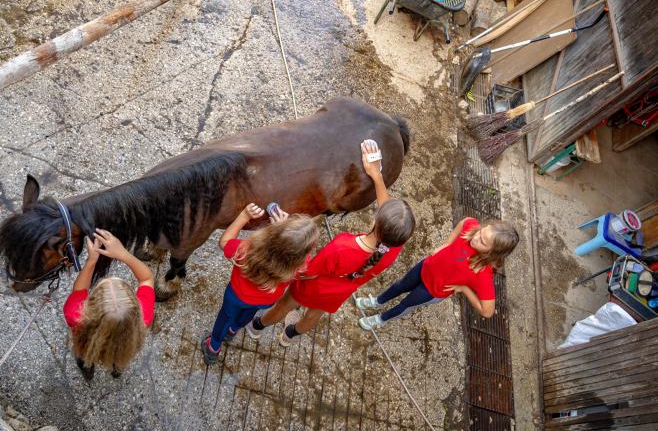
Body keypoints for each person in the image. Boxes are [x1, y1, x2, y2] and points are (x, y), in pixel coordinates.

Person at [248, 139, 416, 346]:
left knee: (284, 305)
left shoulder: (343, 247)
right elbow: (388, 215)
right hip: (339, 292)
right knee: (314, 315)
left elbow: (309, 270)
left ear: (376, 220)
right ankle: (289, 336)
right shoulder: (394, 245)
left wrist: (288, 233)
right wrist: (377, 175)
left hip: (313, 286)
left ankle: (257, 327)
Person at [201, 203, 319, 364]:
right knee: (248, 313)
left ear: (272, 234)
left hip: (236, 296)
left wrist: (244, 216)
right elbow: (292, 254)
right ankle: (233, 330)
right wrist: (284, 234)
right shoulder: (301, 265)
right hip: (265, 301)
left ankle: (213, 347)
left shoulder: (246, 250)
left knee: (225, 316)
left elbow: (224, 242)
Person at [356, 217, 519, 329]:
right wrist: (446, 243)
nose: (476, 238)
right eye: (480, 232)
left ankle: (380, 319)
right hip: (425, 266)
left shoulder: (483, 274)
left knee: (405, 305)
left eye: (483, 242)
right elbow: (465, 222)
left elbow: (487, 311)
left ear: (493, 253)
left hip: (432, 290)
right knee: (400, 285)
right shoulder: (472, 228)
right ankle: (377, 301)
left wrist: (464, 289)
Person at [63, 228, 155, 380]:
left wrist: (91, 261)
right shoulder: (143, 317)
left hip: (86, 347)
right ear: (135, 307)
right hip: (125, 349)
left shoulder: (75, 315)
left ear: (90, 306)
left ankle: (87, 369)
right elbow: (147, 279)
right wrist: (123, 254)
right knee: (120, 359)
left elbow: (80, 290)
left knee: (82, 354)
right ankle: (117, 369)